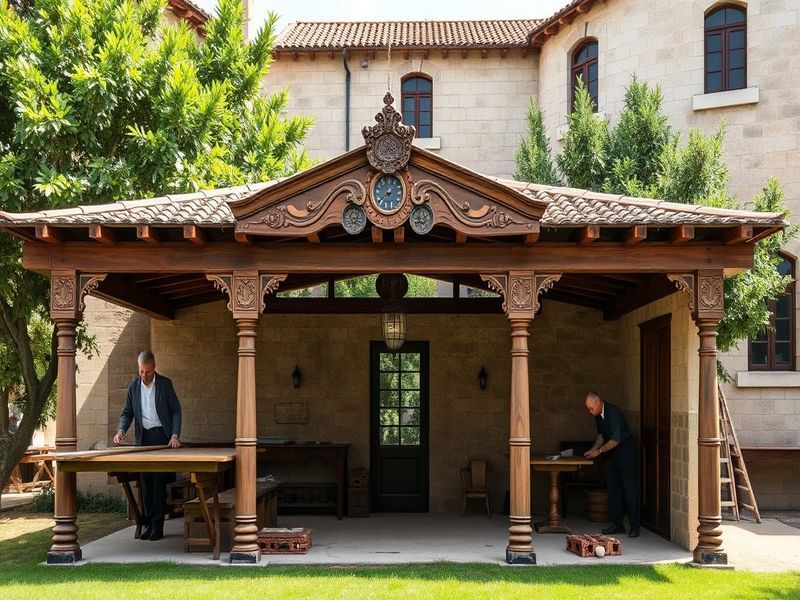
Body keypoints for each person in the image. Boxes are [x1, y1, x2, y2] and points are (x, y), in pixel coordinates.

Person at [113, 351, 182, 542]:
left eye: (148, 372)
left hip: (162, 439)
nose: (144, 376)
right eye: (141, 371)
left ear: (154, 368)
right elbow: (127, 413)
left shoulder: (165, 384)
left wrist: (175, 435)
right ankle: (148, 524)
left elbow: (176, 411)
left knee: (158, 485)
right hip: (142, 440)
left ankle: (158, 527)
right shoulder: (133, 387)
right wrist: (121, 431)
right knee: (145, 486)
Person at [583, 391, 640, 538]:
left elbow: (615, 440)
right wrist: (594, 449)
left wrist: (599, 451)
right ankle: (617, 525)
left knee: (629, 490)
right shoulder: (597, 415)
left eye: (591, 408)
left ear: (598, 402)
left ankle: (635, 527)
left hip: (626, 452)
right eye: (588, 409)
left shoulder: (612, 411)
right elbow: (601, 436)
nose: (590, 411)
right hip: (614, 455)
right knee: (613, 489)